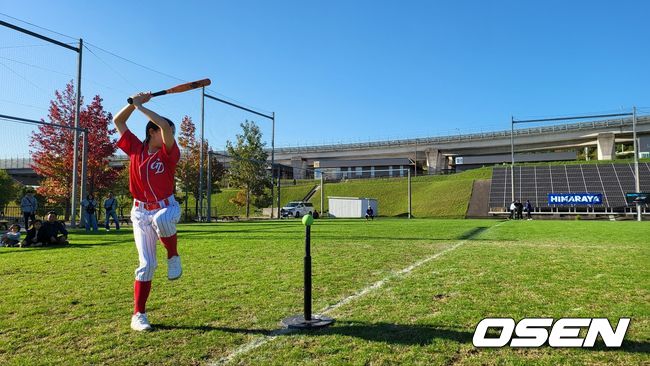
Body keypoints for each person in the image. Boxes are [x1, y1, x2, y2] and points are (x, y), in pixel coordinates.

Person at [114, 92, 182, 332]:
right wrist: (131, 103)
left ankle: (173, 255)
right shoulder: (134, 148)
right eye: (165, 132)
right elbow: (118, 122)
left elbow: (163, 123)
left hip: (167, 206)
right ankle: (138, 314)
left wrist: (141, 105)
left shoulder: (169, 154)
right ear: (151, 133)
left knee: (163, 220)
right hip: (140, 213)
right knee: (146, 265)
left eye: (170, 133)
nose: (169, 136)